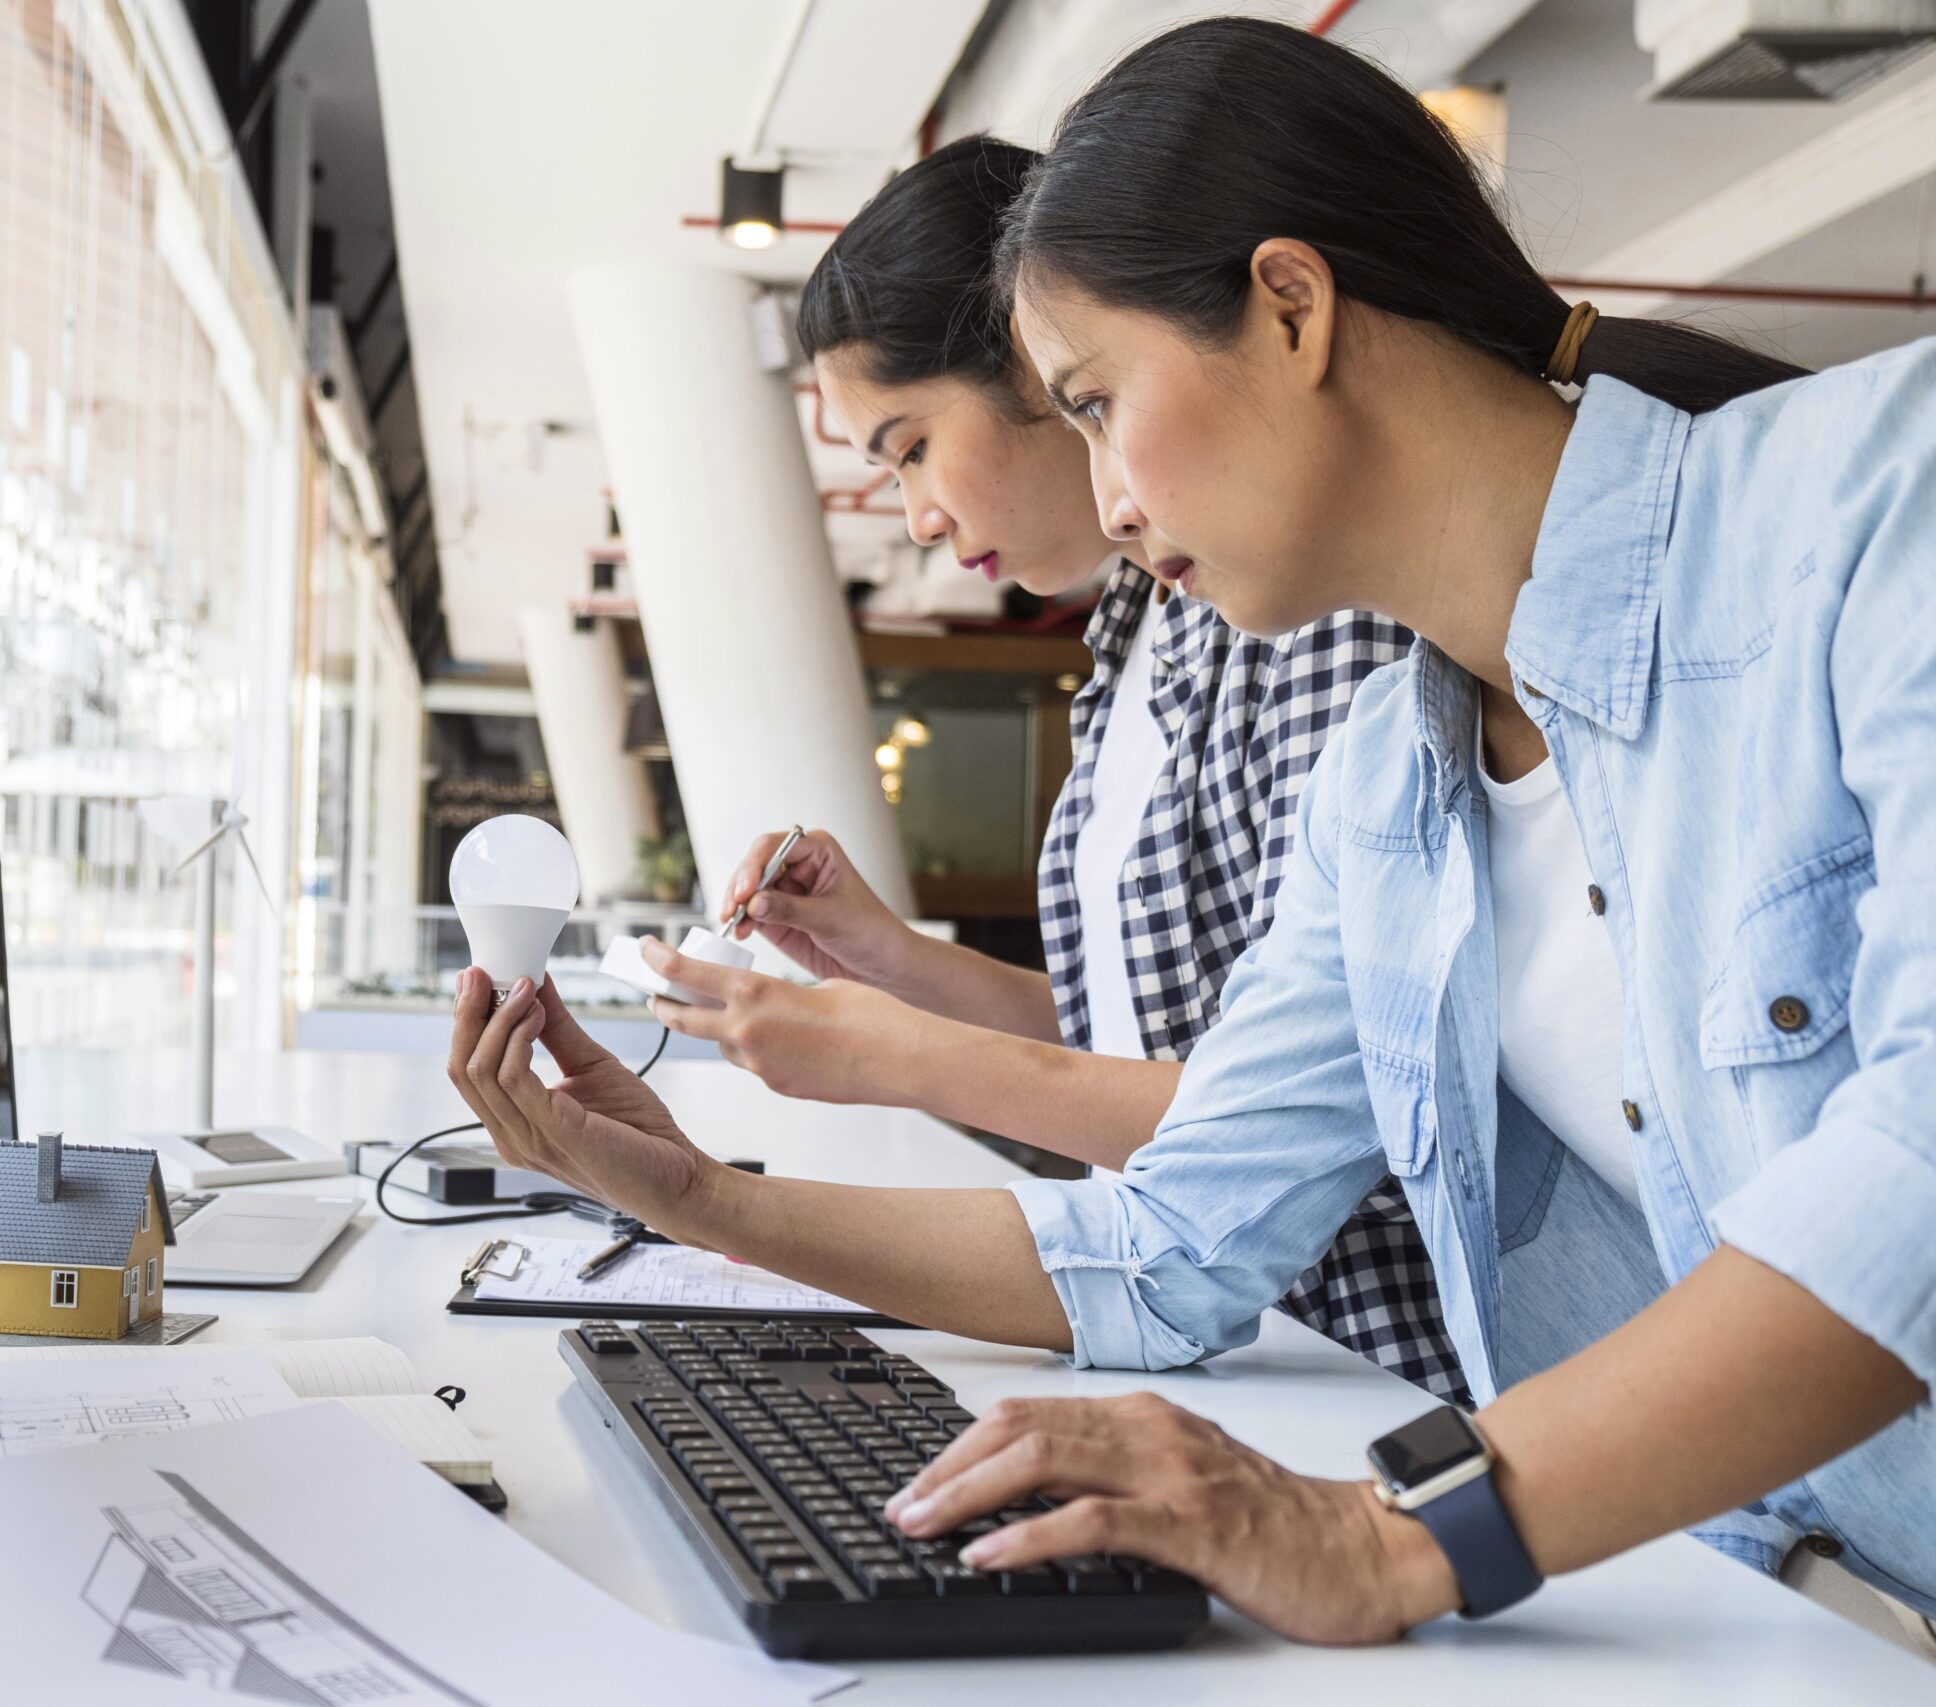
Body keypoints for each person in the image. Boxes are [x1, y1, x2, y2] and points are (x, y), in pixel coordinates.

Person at [445, 16, 1936, 1652]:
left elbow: (1913, 1174)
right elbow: (1166, 1241)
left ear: (1290, 309)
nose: (1113, 496)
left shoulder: (1881, 503)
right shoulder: (1389, 785)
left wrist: (1382, 1535)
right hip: (1775, 1606)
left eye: (1093, 402)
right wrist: (685, 1195)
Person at [647, 135, 1460, 1403]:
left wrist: (890, 1054)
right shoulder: (1137, 627)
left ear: (1040, 364)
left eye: (910, 445)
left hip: (1352, 1368)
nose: (913, 512)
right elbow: (1150, 1048)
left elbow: (1293, 1120)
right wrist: (894, 967)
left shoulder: (1301, 612)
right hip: (1214, 1340)